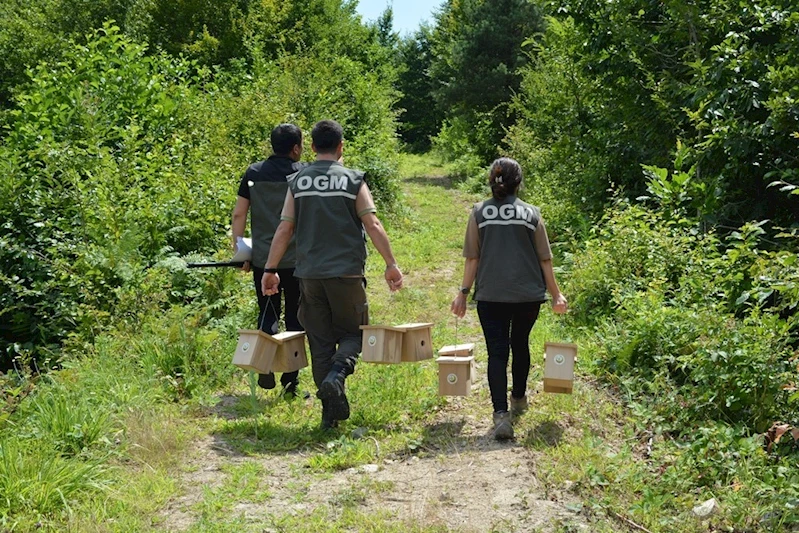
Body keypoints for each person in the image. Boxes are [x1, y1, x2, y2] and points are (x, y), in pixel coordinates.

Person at [260, 119, 403, 429]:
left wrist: (270, 269)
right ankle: (337, 375)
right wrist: (390, 264)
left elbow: (284, 228)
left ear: (312, 147)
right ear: (341, 147)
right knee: (356, 334)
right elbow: (372, 223)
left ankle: (329, 419)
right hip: (347, 273)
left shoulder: (297, 181)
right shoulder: (353, 180)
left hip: (309, 275)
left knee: (320, 342)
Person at [450, 157, 568, 440]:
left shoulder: (479, 212)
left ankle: (501, 414)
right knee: (520, 343)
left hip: (491, 295)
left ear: (492, 181)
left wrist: (463, 293)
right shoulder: (531, 213)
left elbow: (472, 258)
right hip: (528, 294)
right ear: (519, 183)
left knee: (497, 352)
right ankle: (518, 398)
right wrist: (556, 294)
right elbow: (545, 259)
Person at [231, 123, 307, 398]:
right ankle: (290, 382)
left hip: (264, 260)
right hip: (298, 259)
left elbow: (239, 214)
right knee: (296, 318)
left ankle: (264, 363)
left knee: (267, 312)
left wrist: (241, 251)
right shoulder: (303, 173)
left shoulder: (254, 172)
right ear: (296, 148)